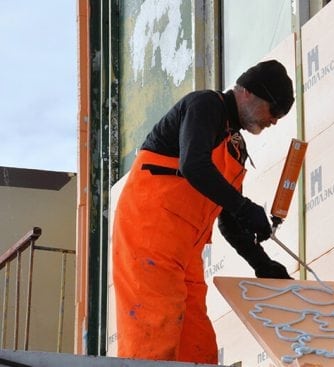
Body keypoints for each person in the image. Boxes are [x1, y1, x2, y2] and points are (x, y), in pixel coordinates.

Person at [111, 59, 294, 364]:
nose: (274, 121)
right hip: (149, 241)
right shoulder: (205, 106)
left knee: (198, 347)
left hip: (184, 255)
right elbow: (193, 165)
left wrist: (262, 263)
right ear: (247, 92)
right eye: (274, 110)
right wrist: (245, 207)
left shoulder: (234, 146)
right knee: (154, 338)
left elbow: (230, 223)